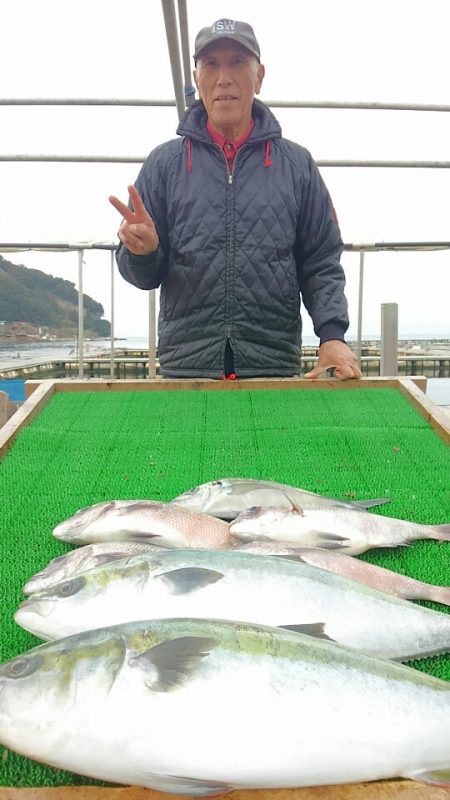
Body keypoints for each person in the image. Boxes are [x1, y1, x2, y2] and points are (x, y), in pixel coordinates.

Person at [109, 18, 361, 381]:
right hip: (186, 367)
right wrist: (142, 252)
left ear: (259, 77)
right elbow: (141, 275)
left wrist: (332, 335)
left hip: (273, 363)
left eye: (237, 62)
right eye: (211, 64)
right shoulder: (163, 164)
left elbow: (320, 260)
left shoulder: (297, 165)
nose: (223, 78)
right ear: (197, 79)